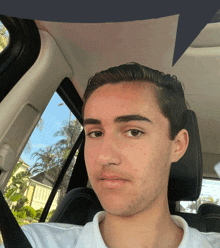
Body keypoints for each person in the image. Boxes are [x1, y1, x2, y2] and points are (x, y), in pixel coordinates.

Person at [1, 62, 220, 247]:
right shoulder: (31, 242)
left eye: (134, 132)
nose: (105, 157)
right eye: (95, 133)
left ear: (178, 145)